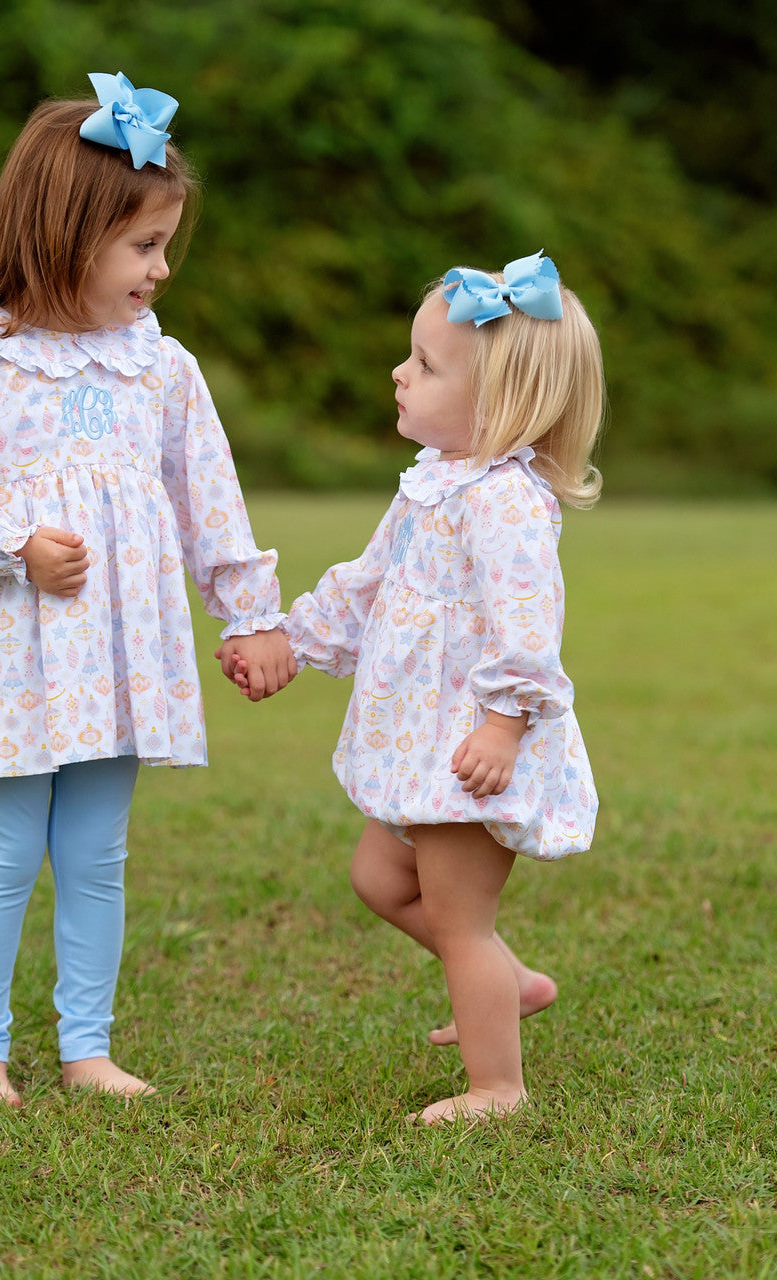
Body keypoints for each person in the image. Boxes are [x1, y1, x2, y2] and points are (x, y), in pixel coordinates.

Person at [0, 73, 296, 1107]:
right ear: (64, 234)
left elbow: (211, 502)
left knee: (97, 850)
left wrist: (251, 613)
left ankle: (87, 1045)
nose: (160, 270)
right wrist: (16, 541)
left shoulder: (161, 370)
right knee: (8, 847)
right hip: (7, 657)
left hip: (114, 656)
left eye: (163, 247)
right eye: (143, 246)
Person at [224, 252, 603, 1123]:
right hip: (418, 737)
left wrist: (504, 725)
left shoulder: (505, 504)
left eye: (426, 366)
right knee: (378, 877)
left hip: (470, 746)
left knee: (458, 917)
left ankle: (496, 1088)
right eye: (410, 355)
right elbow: (369, 584)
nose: (401, 373)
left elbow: (527, 628)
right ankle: (514, 985)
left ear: (502, 407)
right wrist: (293, 640)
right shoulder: (435, 479)